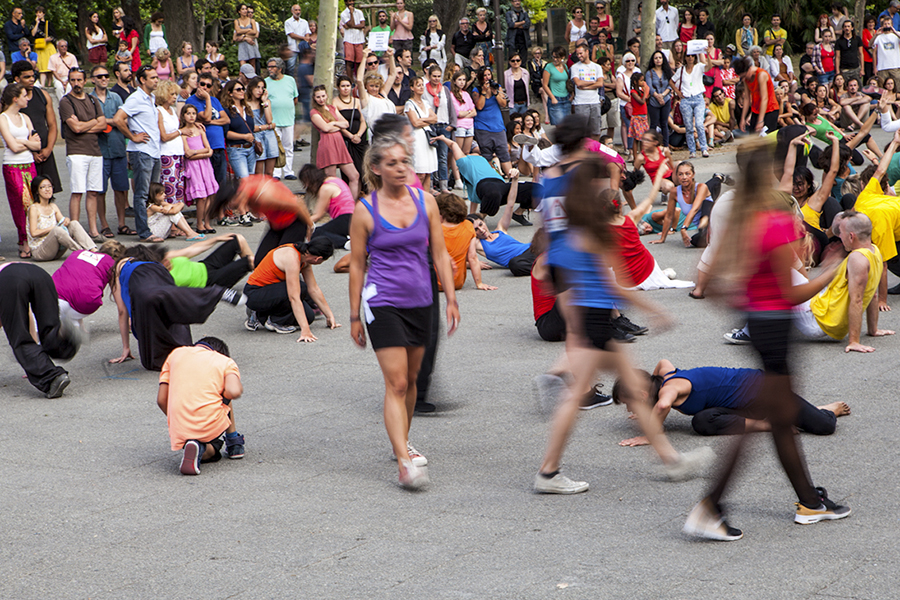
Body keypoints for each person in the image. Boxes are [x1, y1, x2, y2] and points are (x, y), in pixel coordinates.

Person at [683, 139, 850, 542]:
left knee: (778, 418)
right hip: (775, 327)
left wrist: (748, 300)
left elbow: (711, 280)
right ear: (770, 173)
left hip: (760, 324)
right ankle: (711, 506)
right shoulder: (770, 221)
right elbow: (793, 294)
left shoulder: (741, 216)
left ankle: (809, 500)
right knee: (767, 419)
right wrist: (833, 266)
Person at [533, 154, 710, 495]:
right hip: (595, 322)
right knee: (579, 400)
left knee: (631, 386)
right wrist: (654, 309)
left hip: (592, 320)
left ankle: (671, 461)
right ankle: (549, 471)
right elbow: (613, 285)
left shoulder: (572, 232)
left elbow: (546, 275)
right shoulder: (593, 233)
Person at [347, 133, 460, 490]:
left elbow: (440, 254)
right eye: (392, 163)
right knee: (396, 382)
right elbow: (355, 265)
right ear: (377, 168)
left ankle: (403, 440)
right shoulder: (365, 210)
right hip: (382, 302)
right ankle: (403, 461)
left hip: (421, 300)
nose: (401, 168)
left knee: (412, 381)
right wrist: (353, 315)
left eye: (405, 161)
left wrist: (452, 297)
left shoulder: (426, 201)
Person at [616, 361, 849, 443]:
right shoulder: (665, 373)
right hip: (739, 405)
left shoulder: (670, 390)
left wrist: (650, 434)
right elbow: (661, 362)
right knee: (702, 422)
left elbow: (663, 405)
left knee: (823, 426)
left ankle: (826, 410)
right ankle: (772, 425)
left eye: (630, 403)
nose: (629, 409)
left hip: (762, 388)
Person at [111, 244, 246, 371]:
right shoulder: (157, 265)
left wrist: (126, 347)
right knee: (171, 307)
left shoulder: (122, 264)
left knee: (152, 356)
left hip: (144, 290)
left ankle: (215, 292)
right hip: (160, 280)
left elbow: (122, 311)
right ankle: (187, 350)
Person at [158, 337, 245, 476]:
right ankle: (233, 444)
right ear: (219, 353)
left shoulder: (175, 354)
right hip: (208, 421)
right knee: (223, 393)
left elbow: (161, 400)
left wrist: (179, 420)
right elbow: (233, 391)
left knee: (193, 441)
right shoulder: (225, 361)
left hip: (180, 425)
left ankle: (194, 444)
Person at [0, 261, 80, 398]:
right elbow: (27, 315)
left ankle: (52, 377)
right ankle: (64, 344)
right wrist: (34, 358)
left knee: (19, 339)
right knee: (50, 329)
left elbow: (15, 323)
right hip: (40, 274)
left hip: (10, 280)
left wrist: (30, 357)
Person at [243, 237, 337, 338]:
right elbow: (293, 297)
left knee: (309, 316)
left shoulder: (304, 257)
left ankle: (269, 316)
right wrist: (306, 331)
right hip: (255, 293)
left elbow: (313, 288)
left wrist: (329, 315)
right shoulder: (292, 258)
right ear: (317, 259)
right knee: (301, 287)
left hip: (274, 292)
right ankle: (261, 315)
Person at [113, 66, 164, 243]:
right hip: (142, 151)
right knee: (142, 193)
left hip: (154, 150)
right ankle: (144, 232)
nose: (156, 80)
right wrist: (132, 136)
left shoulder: (151, 98)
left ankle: (156, 228)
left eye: (157, 77)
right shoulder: (135, 98)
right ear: (143, 80)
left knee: (153, 192)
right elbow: (118, 118)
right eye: (153, 78)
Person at [442, 137, 536, 223]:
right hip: (487, 186)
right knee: (493, 192)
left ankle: (518, 213)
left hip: (502, 187)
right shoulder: (465, 161)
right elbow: (453, 144)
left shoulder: (484, 160)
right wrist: (441, 137)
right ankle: (478, 219)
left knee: (536, 188)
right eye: (472, 152)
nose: (476, 153)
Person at [59, 67, 105, 241]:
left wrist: (87, 124)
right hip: (77, 152)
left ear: (85, 81)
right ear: (69, 81)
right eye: (73, 80)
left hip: (95, 151)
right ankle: (76, 231)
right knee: (78, 192)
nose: (76, 83)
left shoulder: (93, 100)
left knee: (93, 192)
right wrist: (93, 123)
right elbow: (75, 128)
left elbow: (103, 124)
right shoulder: (66, 101)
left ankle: (93, 231)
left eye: (79, 80)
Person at [0, 81, 40, 258]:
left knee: (32, 203)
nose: (27, 99)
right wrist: (27, 143)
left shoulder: (26, 118)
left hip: (29, 163)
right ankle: (23, 240)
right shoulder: (3, 118)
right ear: (15, 99)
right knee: (19, 203)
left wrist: (23, 142)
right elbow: (12, 147)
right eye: (24, 96)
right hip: (12, 166)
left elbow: (37, 144)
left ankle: (34, 237)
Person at [91, 65, 131, 238]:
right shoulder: (89, 98)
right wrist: (113, 121)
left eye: (106, 76)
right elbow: (90, 123)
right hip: (98, 150)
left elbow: (124, 119)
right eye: (99, 76)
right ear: (93, 79)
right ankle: (105, 224)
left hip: (118, 147)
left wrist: (103, 122)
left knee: (121, 188)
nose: (103, 79)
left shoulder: (115, 97)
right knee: (100, 190)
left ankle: (122, 224)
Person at [468, 176, 538, 276]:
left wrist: (514, 180)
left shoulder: (500, 229)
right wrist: (471, 264)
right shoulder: (476, 243)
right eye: (476, 229)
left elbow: (510, 204)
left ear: (484, 222)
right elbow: (454, 255)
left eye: (481, 224)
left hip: (531, 249)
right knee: (514, 264)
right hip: (521, 261)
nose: (481, 230)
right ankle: (547, 267)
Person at [52, 240, 125, 327]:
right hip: (85, 303)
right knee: (77, 298)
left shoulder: (77, 253)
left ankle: (69, 325)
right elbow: (121, 306)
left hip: (54, 295)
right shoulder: (112, 264)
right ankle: (73, 325)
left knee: (41, 326)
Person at [14, 60, 61, 194]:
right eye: (26, 77)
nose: (31, 79)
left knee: (48, 193)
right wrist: (32, 151)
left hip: (45, 151)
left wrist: (48, 149)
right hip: (25, 153)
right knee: (28, 195)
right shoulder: (12, 99)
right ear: (17, 79)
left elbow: (52, 125)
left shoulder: (43, 95)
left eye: (32, 76)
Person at [27, 175, 98, 261]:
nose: (48, 189)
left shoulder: (53, 206)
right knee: (57, 230)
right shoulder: (34, 208)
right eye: (43, 187)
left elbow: (63, 221)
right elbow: (34, 232)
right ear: (37, 191)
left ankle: (94, 250)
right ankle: (81, 252)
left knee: (74, 223)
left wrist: (66, 220)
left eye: (49, 186)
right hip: (40, 252)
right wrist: (52, 228)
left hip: (55, 250)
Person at [435, 192, 495, 291]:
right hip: (457, 282)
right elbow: (472, 257)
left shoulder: (435, 228)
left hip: (433, 284)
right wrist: (479, 283)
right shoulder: (467, 226)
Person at [310, 85, 360, 200]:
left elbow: (346, 123)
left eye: (323, 96)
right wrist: (335, 124)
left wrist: (332, 124)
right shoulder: (314, 112)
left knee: (354, 175)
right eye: (318, 97)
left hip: (340, 143)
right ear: (314, 98)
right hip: (328, 144)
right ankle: (335, 204)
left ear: (327, 95)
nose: (321, 99)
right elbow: (325, 129)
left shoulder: (332, 108)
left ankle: (351, 204)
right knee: (332, 179)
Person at [186, 73, 230, 189]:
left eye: (208, 86)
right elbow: (206, 117)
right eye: (202, 84)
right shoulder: (192, 100)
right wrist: (206, 98)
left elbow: (226, 119)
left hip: (219, 145)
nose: (205, 87)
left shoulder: (214, 100)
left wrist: (210, 122)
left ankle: (220, 207)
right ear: (197, 84)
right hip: (206, 147)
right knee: (209, 184)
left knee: (221, 182)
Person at [300, 164, 355, 249]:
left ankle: (345, 243)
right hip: (353, 217)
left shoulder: (325, 188)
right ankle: (347, 237)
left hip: (346, 218)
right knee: (328, 230)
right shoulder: (334, 180)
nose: (307, 187)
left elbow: (318, 215)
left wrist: (303, 222)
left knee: (318, 233)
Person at [264, 58, 298, 180]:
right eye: (268, 67)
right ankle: (276, 173)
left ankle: (288, 171)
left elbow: (295, 98)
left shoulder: (290, 80)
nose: (270, 69)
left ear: (280, 68)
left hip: (288, 119)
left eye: (272, 67)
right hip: (273, 121)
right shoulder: (265, 82)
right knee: (275, 148)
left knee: (288, 146)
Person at [672, 51, 710, 158]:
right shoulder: (681, 70)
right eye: (688, 56)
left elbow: (708, 67)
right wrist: (677, 92)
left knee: (699, 124)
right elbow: (672, 81)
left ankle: (704, 148)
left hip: (698, 97)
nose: (690, 58)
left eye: (692, 56)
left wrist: (706, 54)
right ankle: (692, 150)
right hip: (686, 99)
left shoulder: (699, 67)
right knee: (688, 126)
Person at [423, 64, 455, 192]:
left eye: (438, 76)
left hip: (443, 124)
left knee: (442, 156)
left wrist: (452, 125)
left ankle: (444, 185)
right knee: (430, 155)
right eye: (434, 76)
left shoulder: (444, 90)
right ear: (429, 76)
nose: (436, 79)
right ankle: (430, 185)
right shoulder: (424, 90)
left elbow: (450, 107)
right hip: (430, 126)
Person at [154, 80, 186, 207]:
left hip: (179, 153)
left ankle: (176, 219)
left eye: (175, 94)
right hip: (167, 154)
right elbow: (164, 136)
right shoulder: (159, 111)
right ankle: (170, 221)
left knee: (179, 189)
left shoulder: (173, 110)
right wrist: (180, 131)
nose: (174, 97)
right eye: (172, 94)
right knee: (169, 189)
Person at [333, 75, 368, 188]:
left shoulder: (356, 101)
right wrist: (350, 136)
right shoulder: (335, 102)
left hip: (360, 139)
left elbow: (363, 121)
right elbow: (337, 123)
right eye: (343, 86)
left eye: (348, 86)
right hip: (347, 141)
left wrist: (358, 135)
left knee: (364, 169)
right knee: (350, 172)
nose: (346, 88)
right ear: (338, 87)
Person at [404, 75, 438, 192]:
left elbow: (435, 118)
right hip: (417, 139)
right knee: (420, 172)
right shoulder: (409, 104)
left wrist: (422, 119)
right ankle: (414, 197)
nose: (421, 87)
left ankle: (425, 199)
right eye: (418, 85)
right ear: (412, 88)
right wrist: (427, 120)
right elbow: (415, 123)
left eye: (422, 85)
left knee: (428, 172)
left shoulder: (425, 102)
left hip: (427, 138)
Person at [358, 49, 397, 145]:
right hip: (378, 136)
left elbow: (392, 75)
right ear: (366, 86)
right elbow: (359, 79)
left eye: (376, 86)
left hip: (391, 133)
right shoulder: (366, 98)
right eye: (371, 86)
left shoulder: (383, 93)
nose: (374, 89)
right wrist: (364, 57)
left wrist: (391, 56)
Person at [244, 76, 278, 178]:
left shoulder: (266, 102)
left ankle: (270, 193)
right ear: (251, 88)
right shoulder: (246, 104)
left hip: (269, 136)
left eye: (262, 88)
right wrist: (266, 127)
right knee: (258, 171)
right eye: (257, 87)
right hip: (256, 137)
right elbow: (251, 127)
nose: (259, 90)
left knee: (269, 172)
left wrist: (264, 102)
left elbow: (269, 120)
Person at [543, 46, 571, 126]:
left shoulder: (565, 66)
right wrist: (552, 97)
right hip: (556, 98)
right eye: (553, 57)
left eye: (557, 58)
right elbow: (545, 85)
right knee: (560, 125)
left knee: (567, 125)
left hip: (566, 98)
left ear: (562, 57)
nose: (555, 59)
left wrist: (571, 95)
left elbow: (568, 82)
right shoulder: (549, 67)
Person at [339, 0, 366, 84]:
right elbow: (351, 23)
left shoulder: (359, 12)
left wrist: (351, 26)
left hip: (359, 39)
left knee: (359, 61)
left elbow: (362, 25)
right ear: (346, 2)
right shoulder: (343, 14)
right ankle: (349, 81)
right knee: (349, 61)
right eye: (349, 1)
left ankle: (359, 80)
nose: (351, 3)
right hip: (349, 39)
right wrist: (351, 13)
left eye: (352, 1)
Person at [872, 15, 900, 91]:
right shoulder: (879, 37)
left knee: (897, 86)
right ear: (882, 25)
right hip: (882, 67)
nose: (887, 25)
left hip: (895, 66)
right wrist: (876, 35)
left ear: (892, 25)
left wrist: (894, 32)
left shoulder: (896, 35)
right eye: (885, 24)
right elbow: (870, 44)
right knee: (882, 88)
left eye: (888, 23)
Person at [284, 4, 311, 77]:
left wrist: (306, 39)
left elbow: (307, 33)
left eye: (299, 10)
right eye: (296, 10)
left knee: (304, 65)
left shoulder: (304, 22)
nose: (298, 12)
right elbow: (291, 35)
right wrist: (304, 38)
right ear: (292, 11)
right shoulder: (288, 22)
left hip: (303, 48)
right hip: (293, 48)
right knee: (290, 67)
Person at [234, 3, 261, 72]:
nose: (245, 11)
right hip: (242, 45)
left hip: (251, 44)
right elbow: (237, 31)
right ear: (239, 11)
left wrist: (243, 35)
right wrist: (248, 30)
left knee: (252, 64)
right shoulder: (237, 21)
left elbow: (254, 32)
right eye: (243, 9)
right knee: (242, 65)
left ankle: (253, 79)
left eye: (246, 9)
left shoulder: (252, 21)